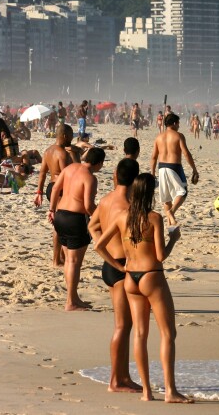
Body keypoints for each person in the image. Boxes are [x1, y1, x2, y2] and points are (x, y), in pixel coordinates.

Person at [93, 174, 193, 403]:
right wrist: (174, 238)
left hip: (130, 279)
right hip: (151, 276)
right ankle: (170, 391)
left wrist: (118, 265)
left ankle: (147, 392)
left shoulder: (121, 217)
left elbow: (99, 245)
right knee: (168, 333)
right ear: (149, 194)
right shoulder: (154, 218)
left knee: (139, 333)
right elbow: (160, 256)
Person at [88, 158, 143, 393]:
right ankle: (115, 380)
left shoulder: (106, 200)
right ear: (135, 180)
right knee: (122, 326)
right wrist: (116, 262)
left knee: (125, 326)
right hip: (119, 266)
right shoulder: (128, 205)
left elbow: (92, 226)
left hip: (111, 265)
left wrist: (107, 253)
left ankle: (124, 376)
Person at [48, 146, 105, 311]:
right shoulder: (90, 178)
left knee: (68, 260)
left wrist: (51, 210)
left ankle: (73, 297)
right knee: (73, 262)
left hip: (60, 215)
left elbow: (55, 189)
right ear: (99, 163)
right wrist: (100, 216)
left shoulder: (70, 168)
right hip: (75, 219)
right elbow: (88, 205)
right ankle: (71, 302)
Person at [34, 124, 79, 268]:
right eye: (71, 135)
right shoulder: (63, 154)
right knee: (59, 225)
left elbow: (42, 173)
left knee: (59, 222)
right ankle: (56, 260)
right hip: (59, 189)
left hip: (50, 187)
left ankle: (60, 256)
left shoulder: (48, 151)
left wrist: (39, 192)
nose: (72, 139)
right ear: (65, 136)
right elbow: (68, 175)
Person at [150, 113, 199, 225]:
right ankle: (171, 212)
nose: (179, 126)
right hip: (174, 167)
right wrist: (194, 169)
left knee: (167, 197)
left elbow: (153, 157)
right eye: (178, 123)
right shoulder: (178, 136)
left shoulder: (159, 137)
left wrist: (152, 173)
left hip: (161, 167)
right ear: (174, 123)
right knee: (183, 192)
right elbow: (186, 153)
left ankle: (169, 222)